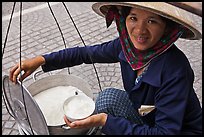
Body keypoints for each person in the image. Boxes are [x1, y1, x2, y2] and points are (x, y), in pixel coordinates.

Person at [9, 2, 202, 135]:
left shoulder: (175, 70)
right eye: (133, 18)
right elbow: (85, 54)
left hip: (176, 130)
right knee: (107, 97)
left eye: (152, 21)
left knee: (105, 118)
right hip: (148, 117)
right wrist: (42, 60)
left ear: (167, 28)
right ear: (123, 19)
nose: (140, 30)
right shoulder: (127, 48)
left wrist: (105, 122)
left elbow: (165, 132)